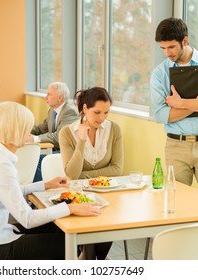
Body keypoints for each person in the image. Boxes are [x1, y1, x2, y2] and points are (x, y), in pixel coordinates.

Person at [0, 101, 102, 260]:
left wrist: (46, 184)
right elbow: (27, 219)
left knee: (59, 227)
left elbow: (11, 191)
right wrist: (71, 208)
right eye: (26, 127)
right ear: (16, 130)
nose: (29, 131)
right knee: (70, 242)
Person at [150, 17, 198, 190]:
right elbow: (160, 115)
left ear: (185, 40)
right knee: (175, 201)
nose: (167, 53)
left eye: (171, 47)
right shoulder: (159, 73)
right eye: (163, 48)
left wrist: (180, 103)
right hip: (175, 146)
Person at [59, 86, 124, 259]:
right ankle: (89, 260)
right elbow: (72, 173)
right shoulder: (67, 133)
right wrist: (81, 141)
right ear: (85, 109)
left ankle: (86, 260)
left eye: (106, 113)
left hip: (109, 195)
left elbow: (117, 169)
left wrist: (85, 176)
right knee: (91, 217)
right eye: (97, 112)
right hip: (80, 196)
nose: (102, 118)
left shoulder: (114, 129)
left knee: (108, 218)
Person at [26, 82, 78, 182]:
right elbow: (41, 129)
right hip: (54, 148)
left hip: (66, 151)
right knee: (30, 156)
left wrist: (34, 138)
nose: (46, 97)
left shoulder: (69, 111)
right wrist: (22, 130)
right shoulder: (52, 110)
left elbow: (60, 136)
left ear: (60, 98)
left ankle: (38, 191)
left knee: (38, 159)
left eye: (49, 94)